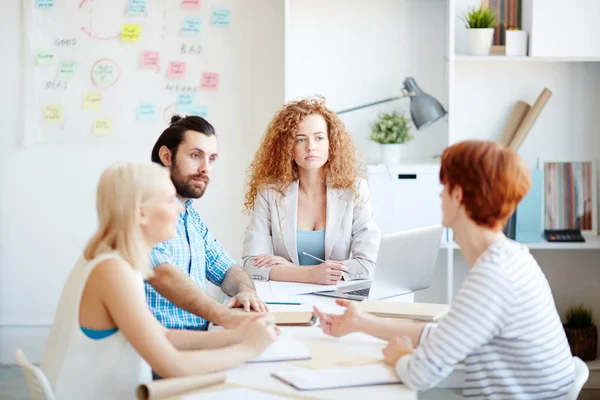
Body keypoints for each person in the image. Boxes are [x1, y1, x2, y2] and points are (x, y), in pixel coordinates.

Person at [314, 140, 575, 398]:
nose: (440, 195)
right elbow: (444, 336)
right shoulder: (511, 258)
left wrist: (401, 356)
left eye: (445, 186)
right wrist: (361, 322)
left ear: (458, 195)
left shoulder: (492, 277)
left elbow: (419, 374)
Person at [41, 162, 278, 400]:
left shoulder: (113, 260)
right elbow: (173, 365)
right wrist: (249, 348)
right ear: (141, 213)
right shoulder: (113, 271)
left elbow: (164, 335)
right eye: (168, 199)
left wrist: (239, 334)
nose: (178, 208)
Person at [242, 96, 381, 284]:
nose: (311, 147)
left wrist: (291, 270)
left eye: (319, 138)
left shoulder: (355, 190)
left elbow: (366, 265)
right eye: (300, 140)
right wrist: (309, 275)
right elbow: (252, 264)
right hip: (285, 299)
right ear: (287, 147)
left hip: (339, 297)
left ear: (331, 142)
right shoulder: (269, 192)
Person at [147, 115, 268, 332]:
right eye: (196, 155)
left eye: (211, 159)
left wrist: (246, 291)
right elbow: (163, 275)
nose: (205, 168)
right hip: (163, 347)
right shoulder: (146, 209)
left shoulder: (191, 216)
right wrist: (225, 316)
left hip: (199, 337)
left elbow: (227, 268)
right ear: (166, 156)